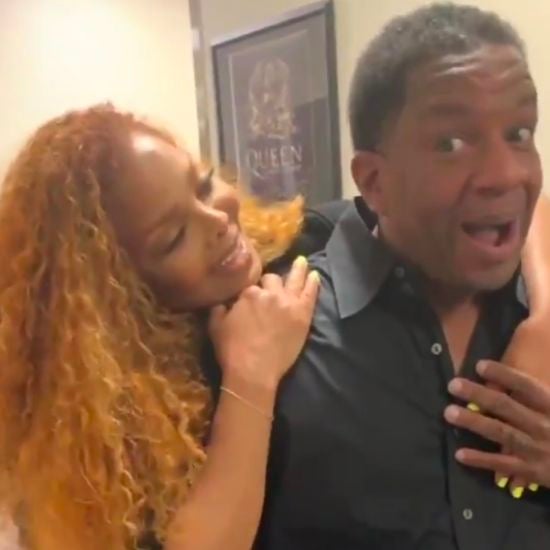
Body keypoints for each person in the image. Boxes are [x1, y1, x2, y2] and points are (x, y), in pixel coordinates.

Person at [0, 89, 548, 550]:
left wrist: (544, 321)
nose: (218, 219)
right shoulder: (105, 423)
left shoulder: (304, 245)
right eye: (173, 237)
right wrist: (251, 377)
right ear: (118, 293)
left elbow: (531, 210)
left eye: (203, 184)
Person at [253, 4, 550, 550]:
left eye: (519, 132)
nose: (506, 173)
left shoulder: (538, 306)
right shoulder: (276, 341)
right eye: (451, 143)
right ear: (374, 181)